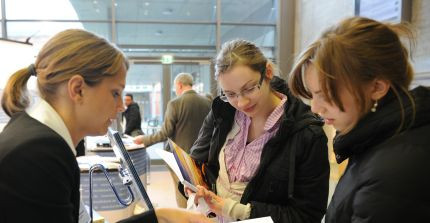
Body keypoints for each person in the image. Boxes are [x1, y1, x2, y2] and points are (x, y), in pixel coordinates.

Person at [0, 29, 211, 223]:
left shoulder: (39, 140)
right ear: (78, 89)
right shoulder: (38, 153)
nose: (120, 107)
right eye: (115, 93)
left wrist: (161, 216)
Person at [288, 17, 430, 222]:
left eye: (326, 94)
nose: (316, 109)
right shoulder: (378, 140)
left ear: (377, 87)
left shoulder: (393, 172)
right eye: (312, 95)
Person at [189, 39, 330, 222]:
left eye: (249, 89)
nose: (241, 102)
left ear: (268, 73)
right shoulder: (222, 111)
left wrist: (234, 210)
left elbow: (306, 215)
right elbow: (197, 158)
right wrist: (191, 183)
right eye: (230, 94)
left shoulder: (307, 134)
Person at [134, 72, 211, 207]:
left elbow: (165, 133)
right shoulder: (208, 103)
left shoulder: (175, 103)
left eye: (176, 87)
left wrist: (144, 139)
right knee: (201, 192)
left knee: (182, 192)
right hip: (203, 158)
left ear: (179, 85)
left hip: (180, 158)